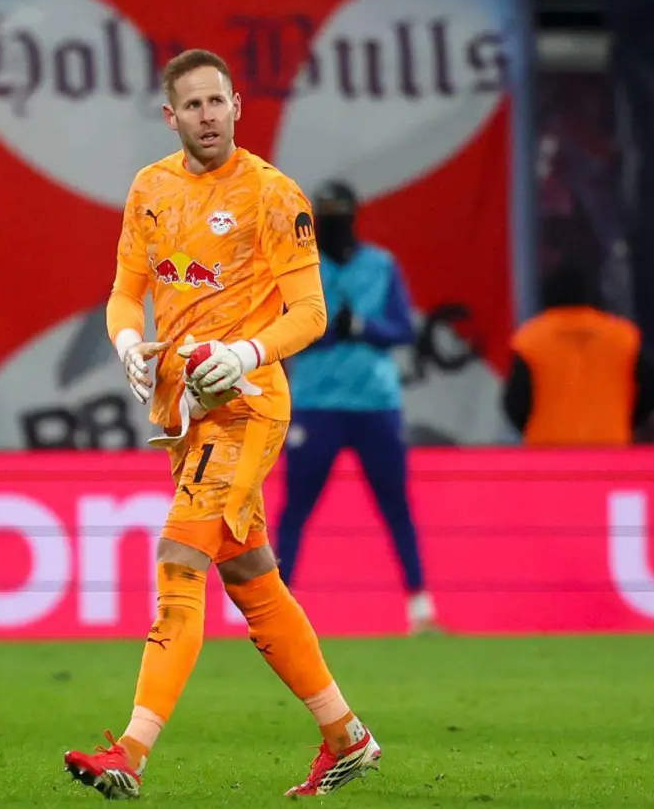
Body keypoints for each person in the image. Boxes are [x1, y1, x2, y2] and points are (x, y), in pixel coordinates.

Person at [62, 49, 383, 800]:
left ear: (238, 105)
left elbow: (311, 312)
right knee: (250, 576)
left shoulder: (273, 196)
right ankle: (347, 736)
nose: (208, 116)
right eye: (192, 106)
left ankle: (131, 753)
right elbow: (123, 294)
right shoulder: (150, 189)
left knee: (180, 560)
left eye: (218, 102)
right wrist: (126, 347)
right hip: (185, 412)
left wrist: (243, 352)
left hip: (246, 407)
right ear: (169, 116)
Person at [278, 181, 438, 635]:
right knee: (296, 509)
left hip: (374, 402)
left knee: (395, 506)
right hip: (317, 402)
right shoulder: (300, 268)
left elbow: (403, 328)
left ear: (353, 217)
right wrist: (332, 328)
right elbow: (286, 328)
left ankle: (420, 607)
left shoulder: (381, 265)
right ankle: (276, 610)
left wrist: (362, 325)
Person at [502, 265, 654, 445]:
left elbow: (515, 403)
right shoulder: (620, 337)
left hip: (548, 454)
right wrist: (625, 418)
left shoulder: (531, 339)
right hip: (610, 453)